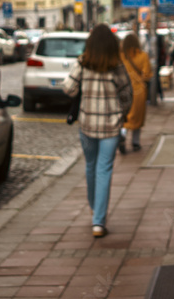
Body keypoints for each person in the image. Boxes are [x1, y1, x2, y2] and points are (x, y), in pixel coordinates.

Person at [62, 24, 134, 237]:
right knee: (104, 169)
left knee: (90, 166)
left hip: (87, 124)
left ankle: (95, 208)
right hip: (111, 126)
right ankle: (98, 222)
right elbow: (127, 94)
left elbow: (68, 88)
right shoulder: (116, 65)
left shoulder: (83, 63)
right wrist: (123, 112)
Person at [120, 33, 153, 153]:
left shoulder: (120, 56)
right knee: (137, 116)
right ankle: (135, 142)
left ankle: (122, 135)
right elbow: (147, 74)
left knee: (125, 116)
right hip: (138, 90)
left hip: (123, 89)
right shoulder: (143, 55)